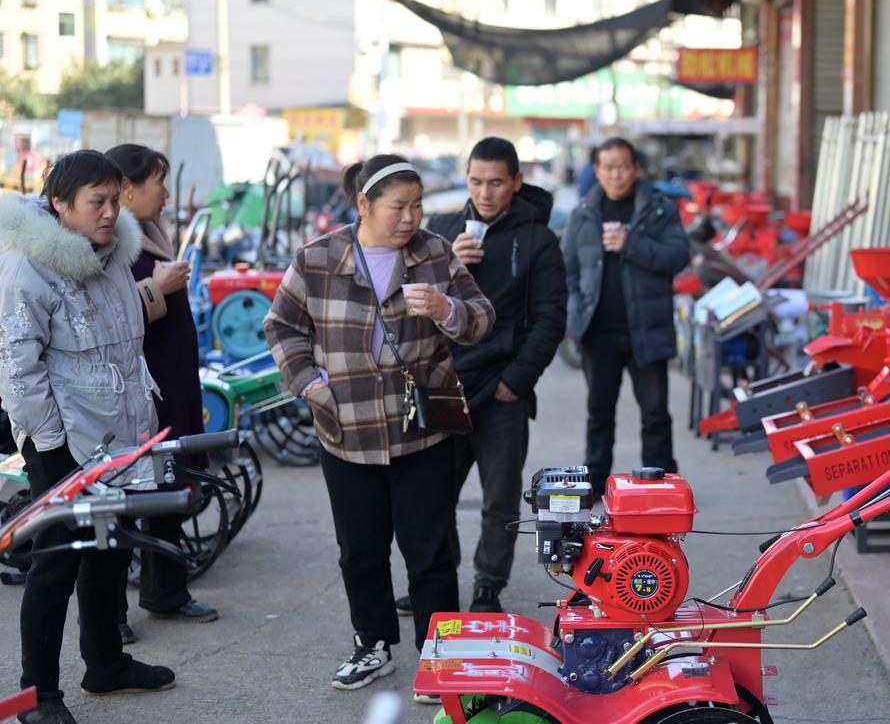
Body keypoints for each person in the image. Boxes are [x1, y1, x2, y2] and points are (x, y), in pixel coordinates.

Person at [264, 154, 494, 696]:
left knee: (430, 550)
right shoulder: (318, 258)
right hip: (347, 428)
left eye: (417, 205)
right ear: (363, 205)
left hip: (424, 427)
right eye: (399, 207)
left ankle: (440, 657)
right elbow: (282, 326)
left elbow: (482, 318)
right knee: (360, 549)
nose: (411, 217)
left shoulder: (435, 254)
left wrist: (445, 309)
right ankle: (372, 645)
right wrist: (310, 384)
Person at [0, 150, 176, 724]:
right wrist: (49, 447)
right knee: (58, 562)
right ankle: (37, 696)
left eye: (113, 199)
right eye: (95, 202)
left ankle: (105, 664)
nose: (109, 212)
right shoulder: (27, 268)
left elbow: (125, 348)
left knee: (112, 546)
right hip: (62, 441)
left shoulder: (115, 254)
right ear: (60, 205)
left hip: (121, 433)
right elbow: (16, 369)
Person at [423, 137, 566, 614]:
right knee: (432, 497)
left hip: (503, 389)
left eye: (497, 182)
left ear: (516, 182)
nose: (485, 192)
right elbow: (411, 305)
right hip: (445, 386)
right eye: (476, 181)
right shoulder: (440, 232)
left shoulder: (539, 239)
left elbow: (550, 318)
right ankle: (435, 581)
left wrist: (517, 382)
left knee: (499, 500)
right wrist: (448, 265)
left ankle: (488, 587)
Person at [106, 144, 219, 642]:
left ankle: (166, 590)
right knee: (124, 501)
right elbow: (105, 320)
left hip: (170, 388)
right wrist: (156, 287)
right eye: (159, 183)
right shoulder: (107, 246)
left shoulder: (150, 236)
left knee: (170, 487)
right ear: (127, 189)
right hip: (134, 395)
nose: (168, 195)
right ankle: (110, 614)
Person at [562, 137, 690, 495]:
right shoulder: (584, 212)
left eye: (623, 166)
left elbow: (678, 255)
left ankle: (661, 486)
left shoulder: (659, 209)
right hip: (599, 332)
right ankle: (595, 483)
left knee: (655, 414)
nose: (616, 175)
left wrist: (631, 244)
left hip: (646, 330)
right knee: (599, 412)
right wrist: (576, 314)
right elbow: (568, 268)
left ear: (636, 169)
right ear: (597, 171)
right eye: (608, 167)